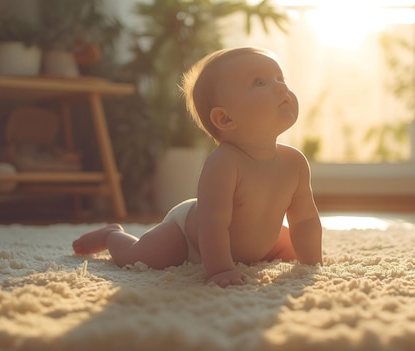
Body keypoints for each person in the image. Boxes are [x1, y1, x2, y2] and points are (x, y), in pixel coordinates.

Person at [72, 47, 322, 287]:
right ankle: (112, 235)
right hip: (190, 237)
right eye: (259, 82)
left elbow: (305, 219)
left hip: (258, 241)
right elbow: (212, 224)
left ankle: (257, 253)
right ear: (225, 118)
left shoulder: (294, 162)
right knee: (142, 257)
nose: (281, 87)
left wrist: (312, 263)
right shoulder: (224, 162)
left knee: (291, 245)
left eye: (280, 78)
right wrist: (221, 269)